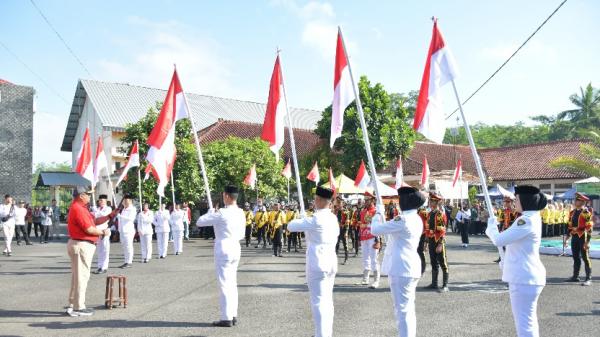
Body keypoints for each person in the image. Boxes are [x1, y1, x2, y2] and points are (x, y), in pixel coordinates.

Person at [486, 185, 547, 337]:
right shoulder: (531, 217)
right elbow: (518, 247)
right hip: (526, 276)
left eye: (517, 198)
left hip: (524, 278)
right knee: (528, 321)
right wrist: (506, 264)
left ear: (525, 200)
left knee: (524, 324)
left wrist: (491, 228)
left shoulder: (526, 221)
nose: (514, 202)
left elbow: (499, 240)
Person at [372, 186, 427, 337]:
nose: (399, 202)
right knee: (407, 310)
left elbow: (375, 230)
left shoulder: (403, 219)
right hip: (409, 267)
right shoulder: (415, 218)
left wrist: (377, 213)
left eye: (400, 199)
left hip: (401, 269)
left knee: (402, 311)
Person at [287, 186, 339, 337]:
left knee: (319, 302)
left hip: (318, 262)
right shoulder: (332, 217)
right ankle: (325, 333)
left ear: (319, 200)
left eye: (315, 199)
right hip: (330, 260)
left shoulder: (317, 218)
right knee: (327, 301)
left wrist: (303, 219)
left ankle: (322, 334)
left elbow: (290, 226)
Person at [196, 185, 245, 327]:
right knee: (232, 282)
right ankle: (233, 314)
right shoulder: (241, 212)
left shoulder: (222, 213)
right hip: (236, 246)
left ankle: (226, 317)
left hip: (224, 247)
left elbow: (200, 222)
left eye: (224, 195)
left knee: (225, 283)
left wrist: (210, 212)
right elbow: (242, 233)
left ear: (227, 196)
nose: (223, 197)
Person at [65, 186, 115, 316]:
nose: (89, 196)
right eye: (87, 194)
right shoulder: (78, 208)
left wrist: (110, 216)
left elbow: (94, 221)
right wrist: (103, 233)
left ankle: (73, 304)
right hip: (82, 244)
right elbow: (89, 229)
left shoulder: (79, 208)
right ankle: (78, 307)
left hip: (79, 243)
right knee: (81, 277)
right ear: (81, 196)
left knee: (77, 276)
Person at [565, 192, 593, 286]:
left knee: (585, 257)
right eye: (575, 200)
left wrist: (587, 242)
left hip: (583, 237)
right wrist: (567, 237)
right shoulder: (572, 212)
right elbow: (569, 226)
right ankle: (575, 276)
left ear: (582, 202)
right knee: (575, 257)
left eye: (577, 200)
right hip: (574, 237)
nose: (574, 201)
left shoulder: (586, 212)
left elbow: (589, 227)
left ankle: (588, 278)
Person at [425, 192, 449, 292]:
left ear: (437, 202)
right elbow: (427, 229)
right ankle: (434, 283)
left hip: (438, 241)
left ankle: (445, 285)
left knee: (443, 263)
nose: (431, 202)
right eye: (430, 201)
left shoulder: (440, 214)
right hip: (431, 240)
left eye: (433, 201)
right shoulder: (430, 214)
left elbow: (442, 230)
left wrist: (440, 244)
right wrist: (426, 243)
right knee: (433, 262)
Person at [358, 197, 380, 288]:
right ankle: (365, 278)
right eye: (365, 200)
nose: (365, 202)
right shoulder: (363, 211)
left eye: (367, 200)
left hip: (373, 237)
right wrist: (360, 236)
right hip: (364, 237)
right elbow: (361, 224)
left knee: (374, 259)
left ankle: (376, 281)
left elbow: (378, 225)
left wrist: (378, 240)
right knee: (365, 258)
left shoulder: (376, 211)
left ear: (372, 200)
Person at [495, 196, 519, 263]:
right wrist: (500, 230)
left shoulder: (516, 212)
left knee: (511, 246)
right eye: (504, 202)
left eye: (507, 202)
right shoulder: (504, 211)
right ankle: (501, 257)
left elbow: (516, 222)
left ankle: (511, 259)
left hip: (512, 230)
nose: (505, 203)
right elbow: (501, 221)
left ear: (512, 202)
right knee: (502, 244)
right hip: (505, 229)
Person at [92, 195, 112, 274]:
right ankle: (99, 266)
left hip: (105, 231)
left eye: (103, 201)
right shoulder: (98, 209)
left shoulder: (108, 208)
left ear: (106, 201)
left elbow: (103, 215)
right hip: (98, 231)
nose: (101, 202)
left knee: (105, 249)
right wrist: (95, 211)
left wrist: (95, 211)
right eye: (100, 201)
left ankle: (104, 267)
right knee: (100, 250)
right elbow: (94, 216)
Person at [116, 195, 137, 268]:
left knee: (128, 246)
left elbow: (130, 219)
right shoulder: (124, 209)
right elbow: (120, 221)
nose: (125, 202)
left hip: (128, 231)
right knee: (124, 246)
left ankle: (129, 262)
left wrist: (120, 216)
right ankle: (126, 261)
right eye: (124, 201)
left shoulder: (132, 209)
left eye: (127, 201)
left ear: (130, 201)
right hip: (122, 230)